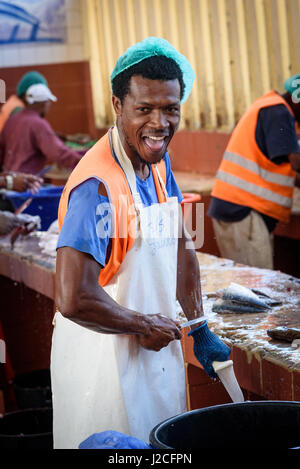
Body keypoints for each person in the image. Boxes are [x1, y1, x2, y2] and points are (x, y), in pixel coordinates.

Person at [51, 37, 230, 449]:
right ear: (118, 106)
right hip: (101, 362)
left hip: (151, 349)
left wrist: (199, 325)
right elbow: (73, 296)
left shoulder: (156, 156)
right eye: (144, 109)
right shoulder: (97, 186)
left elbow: (180, 243)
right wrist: (142, 324)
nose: (160, 123)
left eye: (170, 109)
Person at [208, 74, 300, 269]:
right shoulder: (278, 112)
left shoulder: (269, 106)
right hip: (243, 214)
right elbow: (296, 162)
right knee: (257, 288)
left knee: (248, 286)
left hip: (236, 211)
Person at [0, 71, 83, 175]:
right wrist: (83, 161)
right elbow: (58, 153)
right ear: (45, 103)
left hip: (9, 182)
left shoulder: (12, 120)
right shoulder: (38, 123)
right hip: (26, 184)